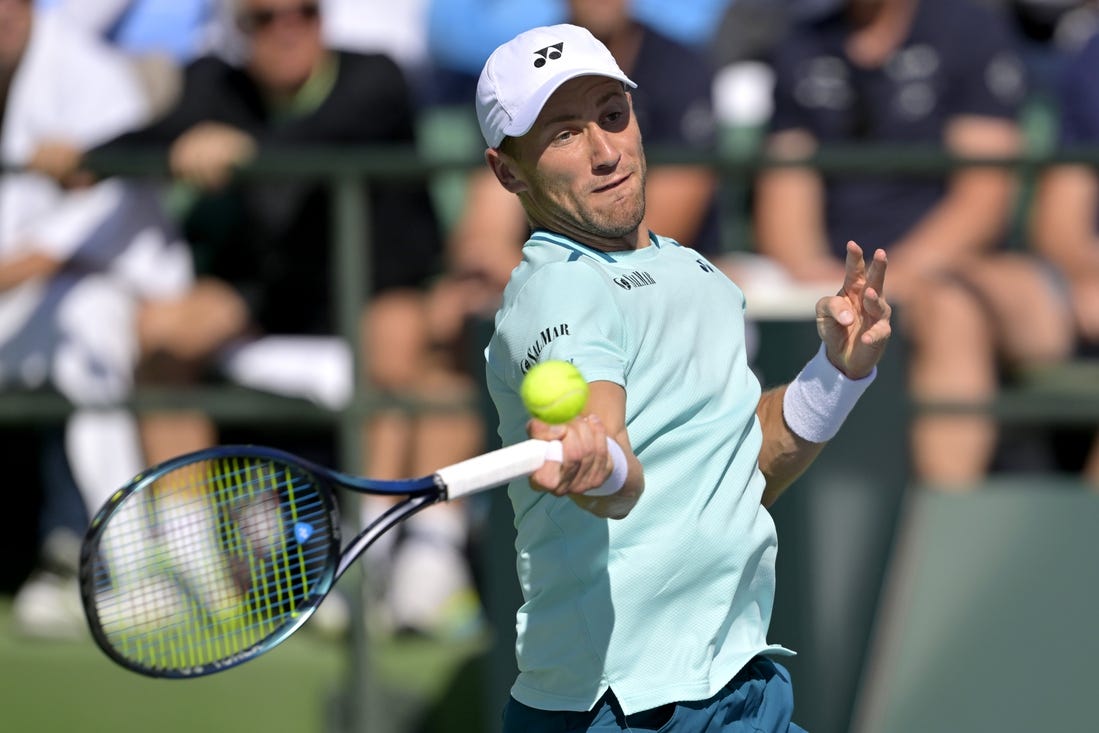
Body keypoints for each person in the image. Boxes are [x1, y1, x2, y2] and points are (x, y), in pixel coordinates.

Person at [477, 24, 891, 731]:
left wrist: (836, 374)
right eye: (564, 134)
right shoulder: (557, 293)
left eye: (612, 115)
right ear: (508, 171)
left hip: (741, 682)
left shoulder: (697, 275)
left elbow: (741, 469)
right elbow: (617, 471)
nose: (606, 151)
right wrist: (598, 460)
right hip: (613, 708)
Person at [41, 0, 484, 637]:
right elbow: (164, 133)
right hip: (270, 298)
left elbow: (319, 135)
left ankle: (369, 559)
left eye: (301, 13)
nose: (285, 30)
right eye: (262, 19)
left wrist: (238, 150)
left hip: (383, 288)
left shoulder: (378, 76)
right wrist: (83, 159)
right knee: (163, 333)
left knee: (398, 336)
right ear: (236, 32)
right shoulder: (213, 83)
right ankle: (192, 562)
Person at [748, 0, 1029, 486]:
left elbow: (984, 200)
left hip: (949, 268)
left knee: (950, 310)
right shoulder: (800, 44)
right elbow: (784, 205)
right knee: (718, 288)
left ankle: (946, 522)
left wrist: (889, 283)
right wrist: (823, 278)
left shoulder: (969, 30)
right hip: (840, 274)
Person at [2, 1, 192, 637]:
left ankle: (135, 571)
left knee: (85, 328)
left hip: (117, 292)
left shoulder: (93, 75)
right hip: (25, 310)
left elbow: (54, 251)